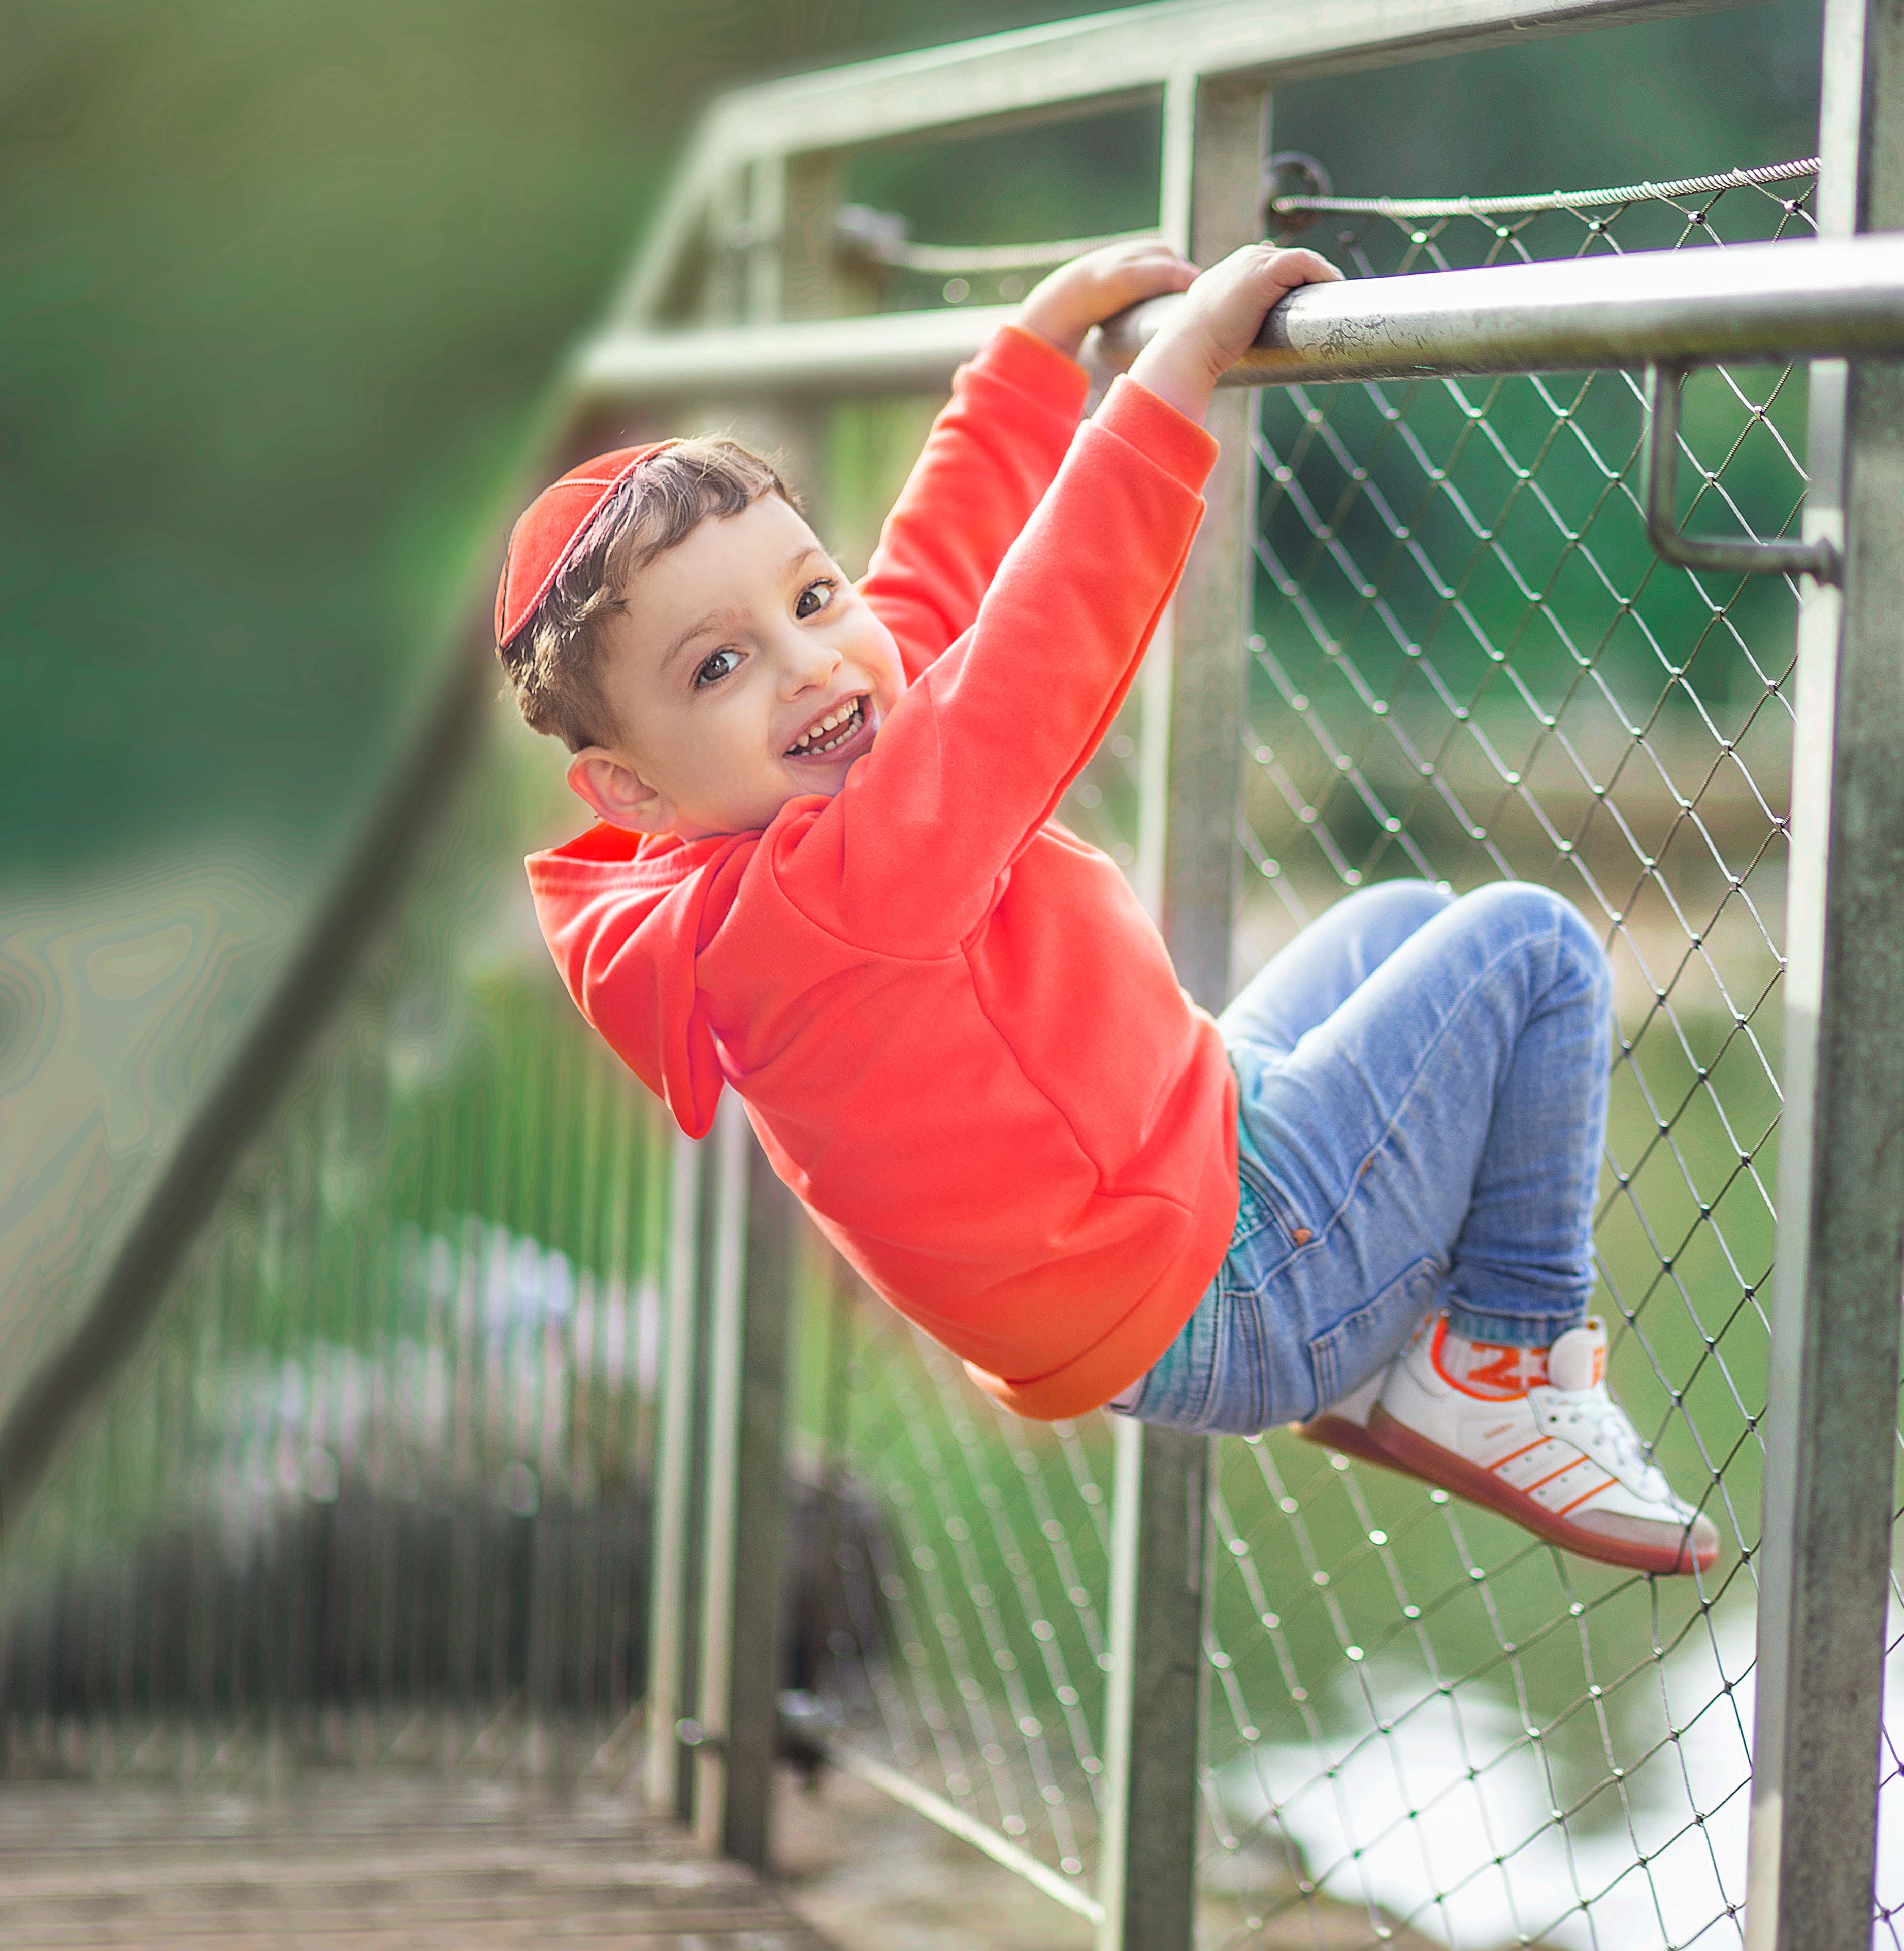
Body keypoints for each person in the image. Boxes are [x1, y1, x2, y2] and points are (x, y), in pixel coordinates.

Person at [498, 239, 1717, 1577]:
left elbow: (920, 593)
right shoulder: (822, 897)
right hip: (1220, 1285)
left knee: (1402, 922)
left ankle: (1392, 1370)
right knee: (1531, 951)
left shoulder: (742, 854)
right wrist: (1171, 381)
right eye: (720, 664)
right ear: (627, 785)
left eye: (806, 594)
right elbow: (1024, 662)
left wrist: (1025, 366)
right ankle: (1503, 1366)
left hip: (1155, 1222)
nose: (806, 664)